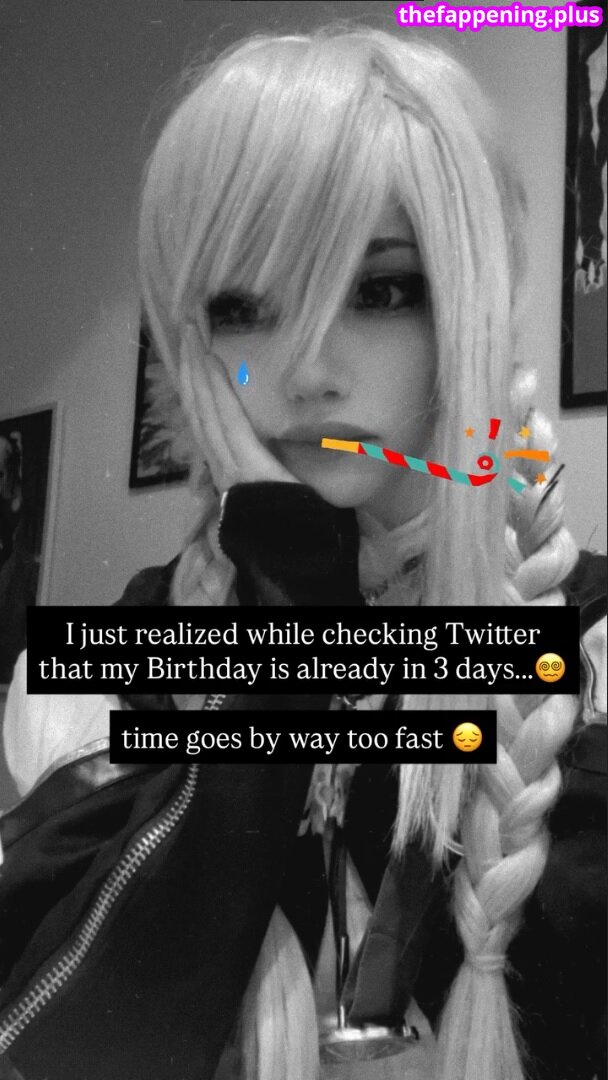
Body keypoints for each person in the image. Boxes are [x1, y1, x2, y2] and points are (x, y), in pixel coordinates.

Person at [1, 26, 606, 1080]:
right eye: (241, 308)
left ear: (465, 304)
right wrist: (288, 625)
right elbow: (74, 1039)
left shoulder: (586, 647)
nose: (303, 370)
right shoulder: (109, 663)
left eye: (379, 289)